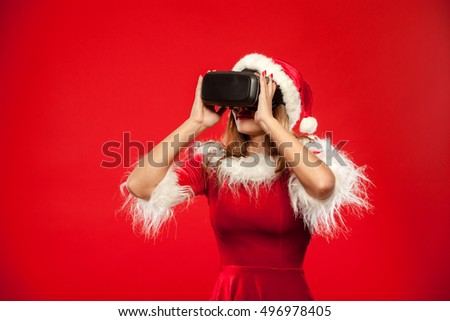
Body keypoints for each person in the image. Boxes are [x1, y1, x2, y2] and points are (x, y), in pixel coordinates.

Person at [121, 53, 373, 300]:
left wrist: (268, 121)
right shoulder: (214, 163)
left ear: (281, 106)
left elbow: (322, 185)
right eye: (240, 101)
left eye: (255, 100)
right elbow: (139, 186)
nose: (242, 109)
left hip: (286, 299)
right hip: (230, 296)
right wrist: (195, 123)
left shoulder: (304, 160)